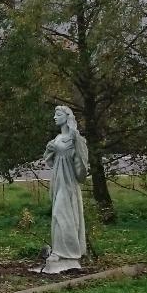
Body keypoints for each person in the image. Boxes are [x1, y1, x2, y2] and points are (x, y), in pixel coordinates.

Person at [35, 105, 89, 274]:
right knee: (57, 215)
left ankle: (69, 252)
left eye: (58, 115)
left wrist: (75, 138)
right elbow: (49, 160)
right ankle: (59, 251)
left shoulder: (74, 138)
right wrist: (50, 149)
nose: (55, 117)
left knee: (63, 213)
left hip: (69, 182)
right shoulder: (58, 138)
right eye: (54, 114)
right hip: (58, 180)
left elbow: (81, 162)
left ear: (67, 117)